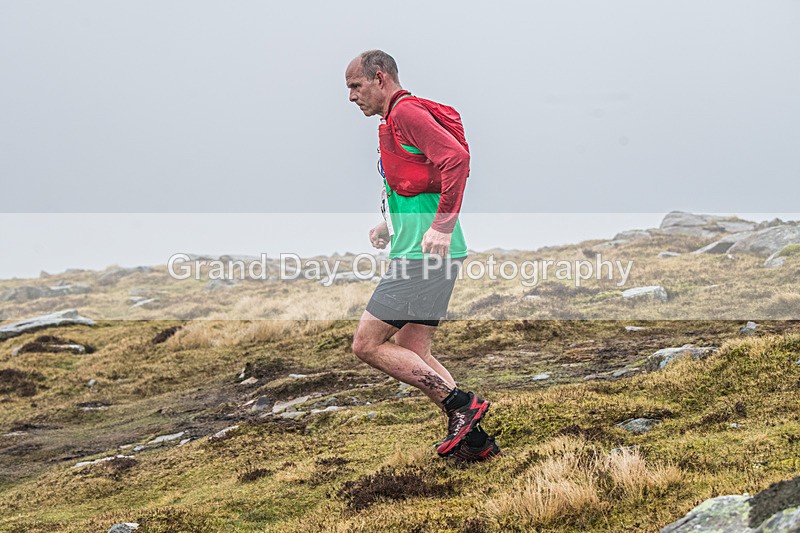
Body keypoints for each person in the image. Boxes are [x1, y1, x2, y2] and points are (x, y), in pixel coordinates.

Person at [345, 50, 499, 461]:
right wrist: (388, 223)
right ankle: (475, 441)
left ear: (380, 79)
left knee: (366, 343)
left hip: (425, 254)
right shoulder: (393, 120)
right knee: (413, 345)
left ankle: (460, 405)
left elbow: (457, 160)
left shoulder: (408, 113)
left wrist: (442, 226)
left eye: (355, 86)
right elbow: (416, 181)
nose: (351, 97)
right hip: (422, 249)